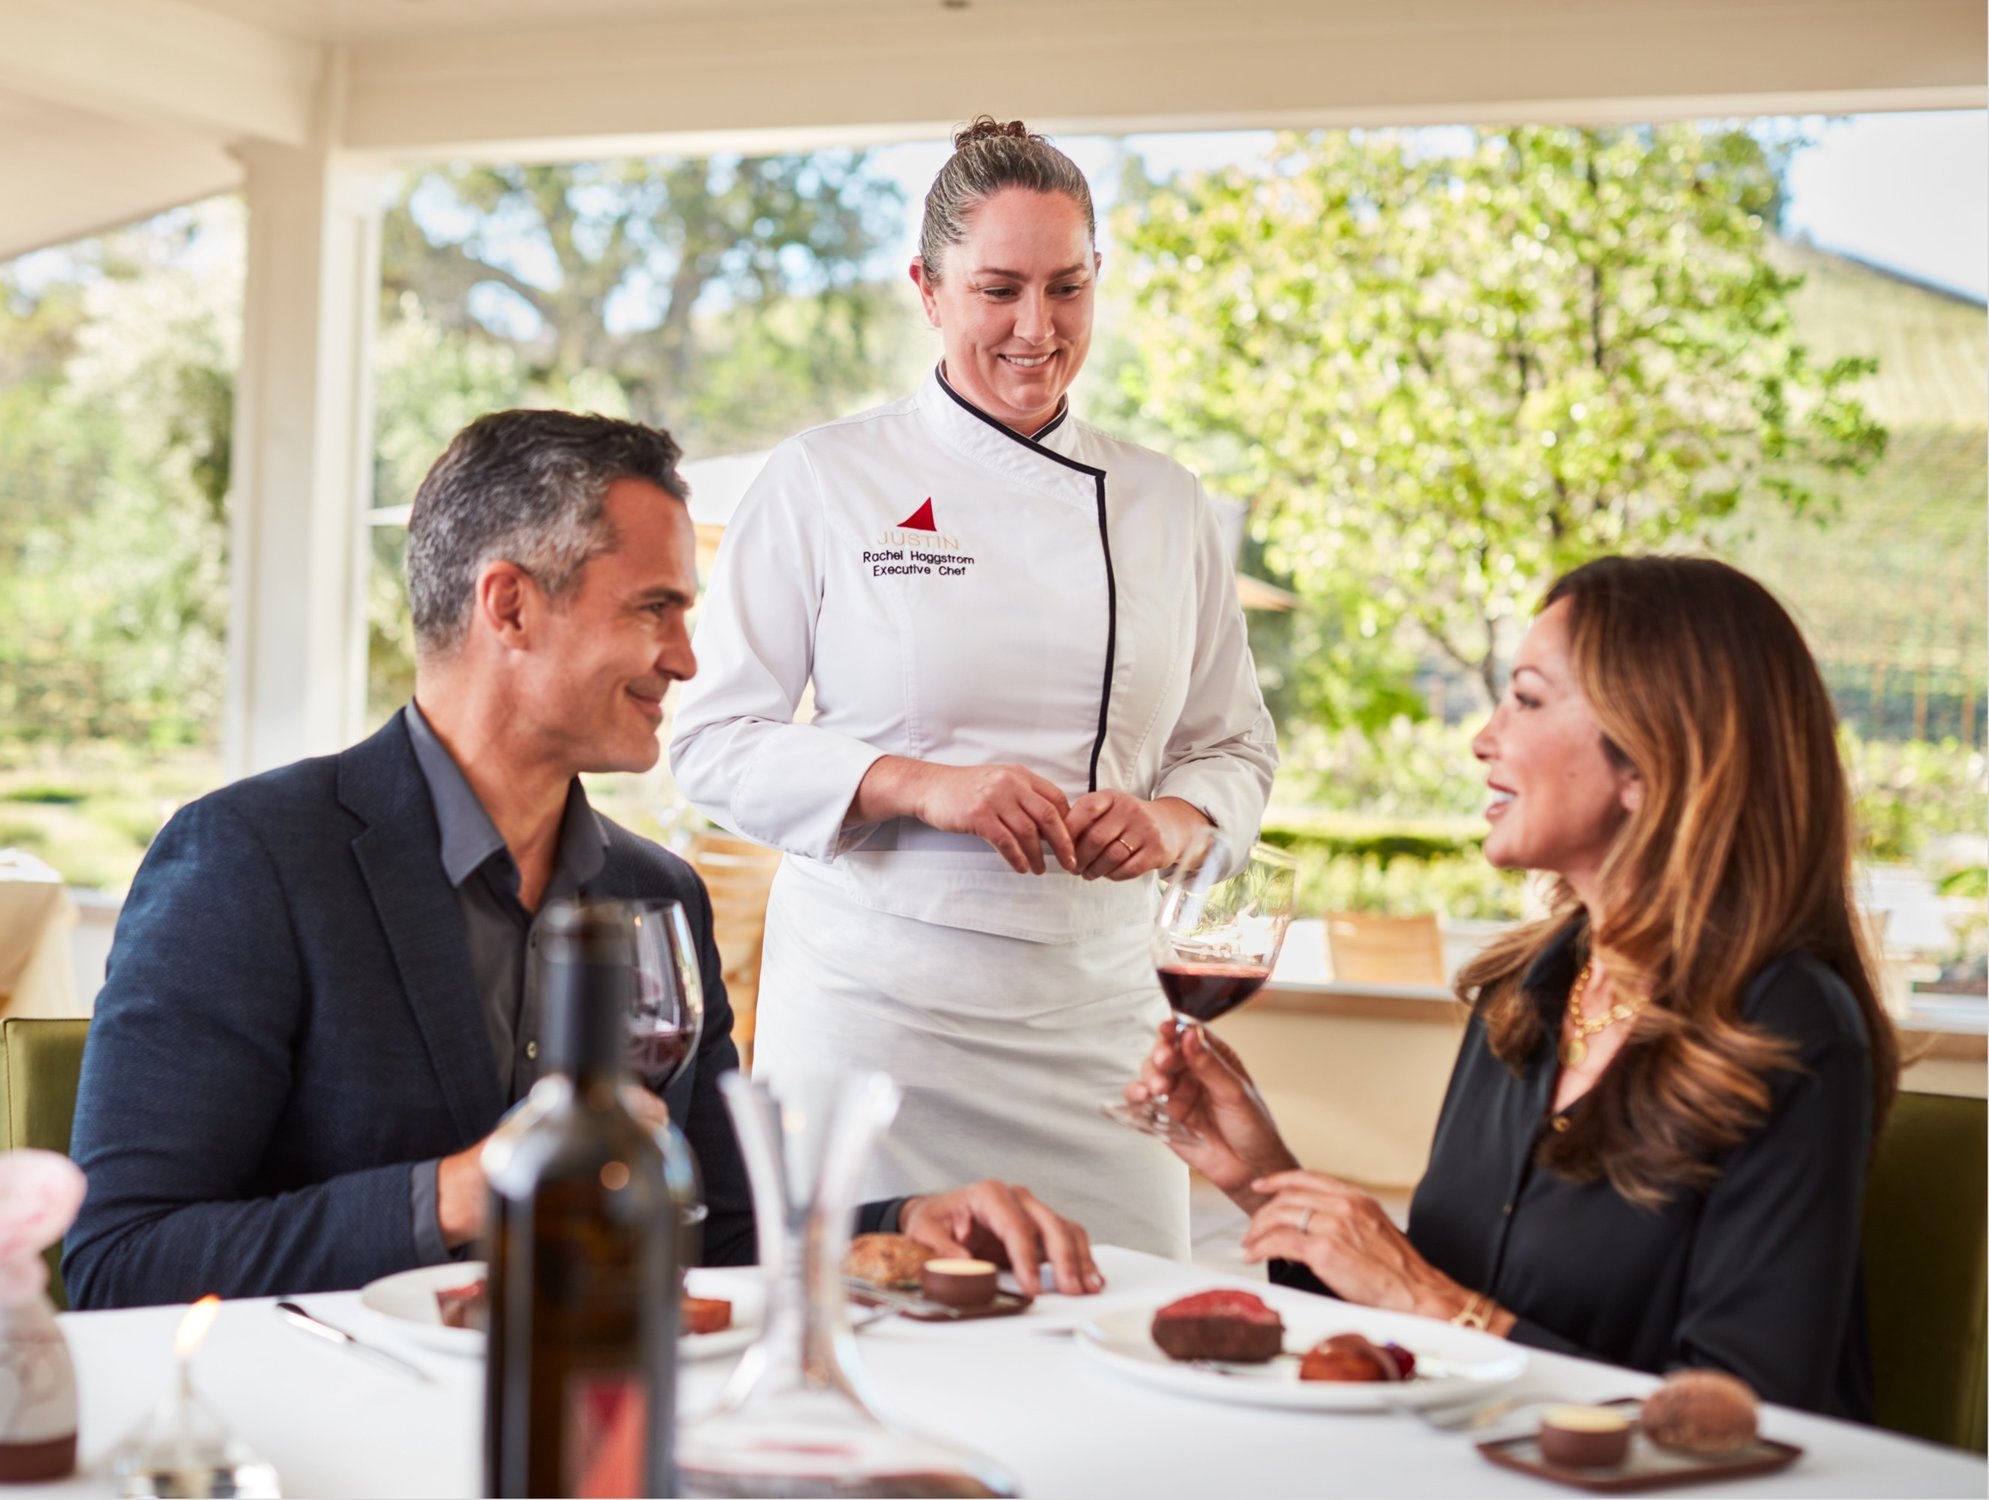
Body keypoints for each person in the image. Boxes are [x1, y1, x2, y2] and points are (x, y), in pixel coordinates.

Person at [64, 409, 1100, 1311]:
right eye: (657, 607)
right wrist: (465, 1191)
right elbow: (122, 1261)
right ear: (508, 605)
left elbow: (718, 1229)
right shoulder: (247, 860)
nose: (689, 659)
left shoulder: (658, 899)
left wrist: (908, 1218)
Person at [669, 118, 1278, 1258]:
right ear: (928, 289)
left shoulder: (1163, 502)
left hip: (1102, 1018)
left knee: (1118, 1326)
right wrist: (914, 786)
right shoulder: (825, 479)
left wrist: (1172, 819)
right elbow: (711, 743)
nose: (1036, 329)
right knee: (879, 1331)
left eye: (1067, 287)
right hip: (875, 1018)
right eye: (998, 289)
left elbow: (1233, 749)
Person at [1127, 556, 1899, 1417]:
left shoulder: (1786, 1028)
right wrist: (1261, 1176)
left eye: (1526, 698)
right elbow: (1437, 1332)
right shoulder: (1524, 993)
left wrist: (1419, 1293)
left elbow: (1741, 1417)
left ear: (1649, 756)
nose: (1482, 737)